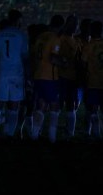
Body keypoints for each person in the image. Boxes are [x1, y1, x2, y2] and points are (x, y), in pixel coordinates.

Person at [0, 9, 29, 140]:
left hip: (3, 73)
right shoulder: (21, 35)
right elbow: (24, 56)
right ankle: (10, 135)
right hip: (17, 74)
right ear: (18, 20)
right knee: (14, 105)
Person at [31, 14, 65, 143]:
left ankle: (34, 135)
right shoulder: (55, 38)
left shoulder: (40, 37)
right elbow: (53, 58)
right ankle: (52, 137)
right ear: (61, 26)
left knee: (41, 104)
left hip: (38, 75)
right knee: (54, 106)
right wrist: (64, 62)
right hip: (49, 77)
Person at [82, 19, 103, 142]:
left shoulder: (88, 46)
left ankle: (96, 134)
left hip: (92, 82)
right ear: (101, 31)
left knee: (93, 109)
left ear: (92, 30)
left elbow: (83, 64)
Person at [58, 13, 83, 140]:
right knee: (60, 105)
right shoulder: (62, 39)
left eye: (76, 24)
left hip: (72, 78)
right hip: (63, 77)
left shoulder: (76, 41)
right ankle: (59, 132)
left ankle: (69, 133)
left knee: (70, 105)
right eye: (73, 23)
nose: (75, 26)